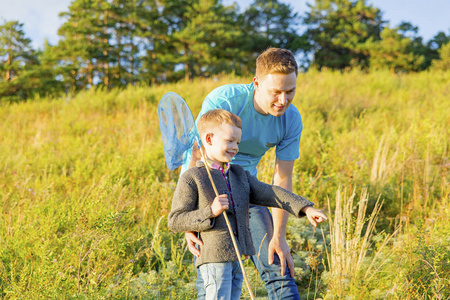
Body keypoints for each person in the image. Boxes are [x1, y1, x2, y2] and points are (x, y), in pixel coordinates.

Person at [181, 47, 322, 299]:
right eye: (275, 92)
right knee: (216, 276)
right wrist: (192, 220)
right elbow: (196, 153)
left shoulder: (291, 119)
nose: (283, 100)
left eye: (290, 92)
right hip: (210, 193)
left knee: (278, 265)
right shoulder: (226, 100)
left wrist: (279, 236)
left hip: (247, 190)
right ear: (256, 82)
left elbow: (282, 178)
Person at [169, 109, 327, 299]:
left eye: (237, 142)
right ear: (209, 139)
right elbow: (175, 220)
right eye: (230, 141)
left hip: (237, 258)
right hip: (214, 258)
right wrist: (210, 211)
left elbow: (271, 193)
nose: (235, 147)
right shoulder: (193, 177)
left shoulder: (238, 174)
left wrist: (305, 207)